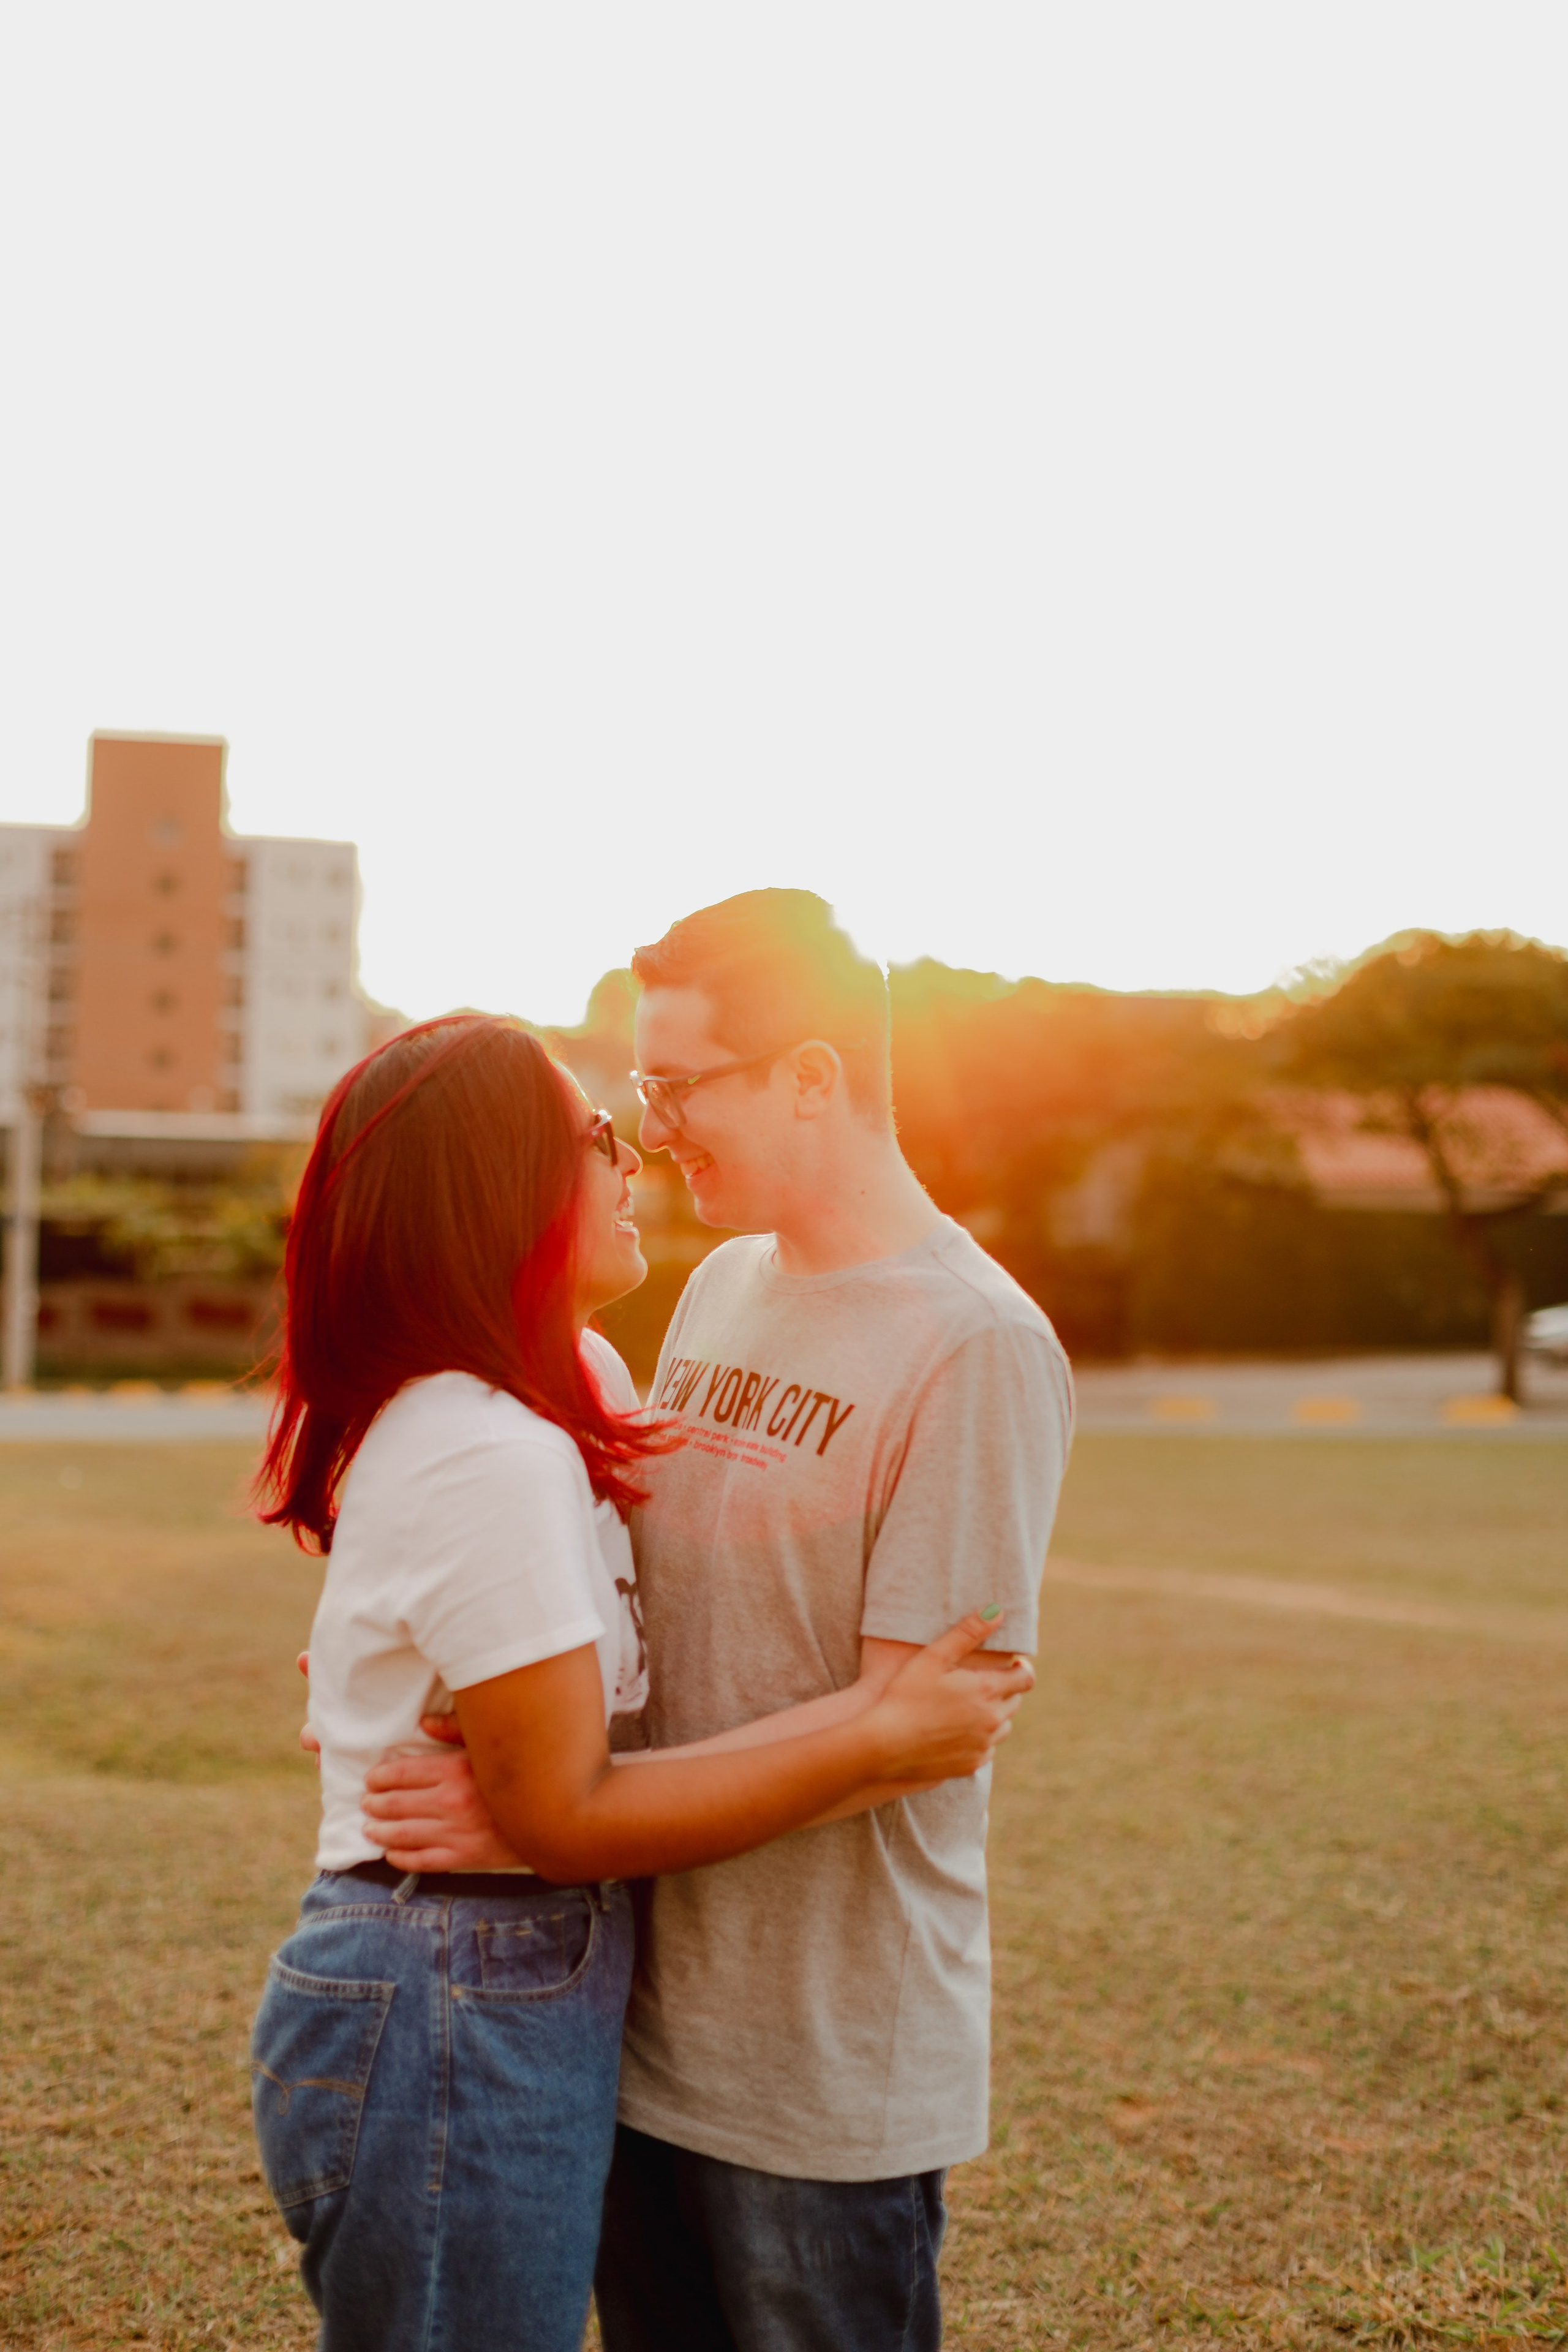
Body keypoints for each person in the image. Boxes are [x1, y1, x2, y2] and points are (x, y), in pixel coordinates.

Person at [250, 1011, 1031, 2352]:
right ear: (498, 1186)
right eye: (602, 1131)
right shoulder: (484, 1446)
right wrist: (883, 1731)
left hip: (529, 1975)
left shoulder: (582, 1380)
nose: (638, 1157)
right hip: (452, 1976)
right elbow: (560, 1805)